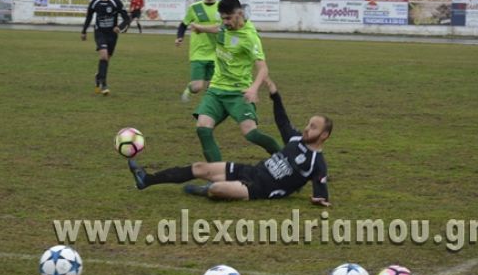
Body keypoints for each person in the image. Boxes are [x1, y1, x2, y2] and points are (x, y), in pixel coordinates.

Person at [128, 78, 332, 206]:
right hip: (251, 171)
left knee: (217, 189)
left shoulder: (317, 162)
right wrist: (275, 95)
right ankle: (146, 180)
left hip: (259, 189)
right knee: (200, 168)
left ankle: (206, 191)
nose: (307, 128)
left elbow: (320, 193)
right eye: (308, 124)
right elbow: (282, 121)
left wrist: (319, 200)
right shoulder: (296, 138)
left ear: (324, 135)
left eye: (313, 127)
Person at [188, 0, 281, 162]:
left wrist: (253, 88)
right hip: (216, 89)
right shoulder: (225, 27)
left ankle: (284, 159)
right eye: (223, 18)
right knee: (203, 128)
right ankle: (218, 176)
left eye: (229, 18)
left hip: (239, 92)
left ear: (239, 13)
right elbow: (219, 29)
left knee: (251, 134)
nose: (225, 22)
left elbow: (263, 68)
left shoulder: (249, 37)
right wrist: (201, 28)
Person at [176, 0, 222, 102]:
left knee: (212, 86)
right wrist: (179, 37)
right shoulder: (195, 7)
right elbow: (183, 24)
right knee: (197, 86)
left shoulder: (221, 8)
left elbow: (223, 28)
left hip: (217, 52)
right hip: (198, 52)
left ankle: (208, 109)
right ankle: (189, 89)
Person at [81, 0, 130, 95]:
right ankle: (104, 84)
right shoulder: (95, 2)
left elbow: (126, 18)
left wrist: (120, 26)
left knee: (106, 60)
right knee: (103, 56)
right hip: (100, 33)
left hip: (112, 35)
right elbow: (88, 17)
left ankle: (99, 76)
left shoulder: (115, 2)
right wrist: (84, 31)